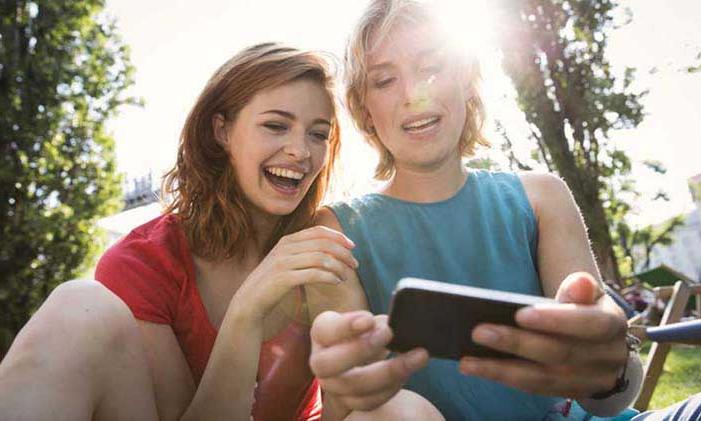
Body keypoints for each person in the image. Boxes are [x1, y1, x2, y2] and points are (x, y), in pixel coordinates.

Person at [306, 1, 701, 420]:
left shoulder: (541, 196)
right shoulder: (337, 232)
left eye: (431, 68)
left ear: (465, 80)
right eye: (384, 80)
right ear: (365, 109)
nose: (412, 95)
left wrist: (609, 364)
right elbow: (349, 407)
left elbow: (613, 393)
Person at [0, 43, 440, 421]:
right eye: (275, 125)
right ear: (222, 131)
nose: (300, 150)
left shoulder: (323, 249)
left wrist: (350, 381)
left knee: (402, 410)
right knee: (78, 303)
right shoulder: (143, 262)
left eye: (318, 134)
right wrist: (248, 310)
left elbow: (351, 410)